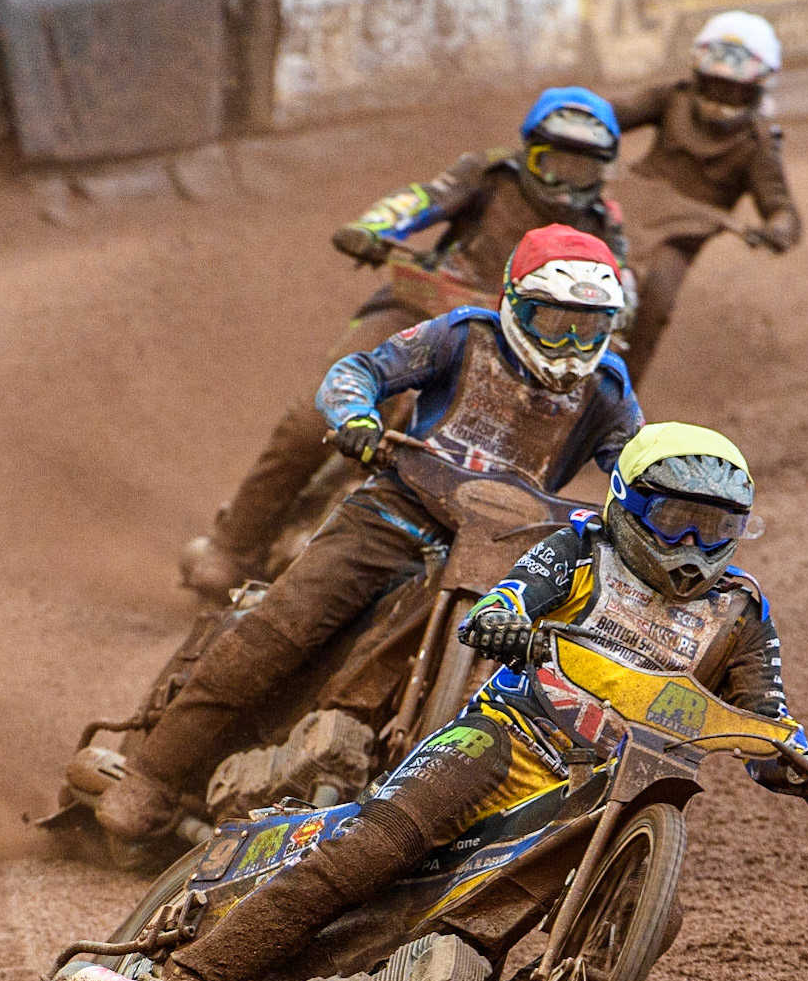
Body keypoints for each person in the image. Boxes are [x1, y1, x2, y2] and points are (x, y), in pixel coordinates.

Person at [150, 421, 808, 981]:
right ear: (628, 504)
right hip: (504, 738)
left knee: (648, 910)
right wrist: (500, 619)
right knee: (378, 844)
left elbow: (766, 717)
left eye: (715, 527)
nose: (692, 545)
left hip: (605, 791)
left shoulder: (738, 610)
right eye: (674, 520)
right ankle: (203, 975)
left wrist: (798, 763)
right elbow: (510, 597)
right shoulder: (580, 546)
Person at [79, 224, 643, 848]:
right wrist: (356, 416)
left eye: (587, 327)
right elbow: (358, 370)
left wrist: (653, 511)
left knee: (554, 669)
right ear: (514, 303)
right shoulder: (461, 335)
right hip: (395, 513)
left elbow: (634, 465)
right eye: (555, 320)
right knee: (282, 627)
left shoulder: (610, 387)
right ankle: (154, 777)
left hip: (506, 553)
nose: (569, 342)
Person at [179, 87, 634, 598]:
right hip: (421, 309)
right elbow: (420, 199)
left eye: (583, 169)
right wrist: (373, 226)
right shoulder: (488, 174)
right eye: (554, 162)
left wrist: (616, 323)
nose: (565, 183)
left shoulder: (603, 222)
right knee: (310, 421)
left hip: (513, 345)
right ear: (528, 152)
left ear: (605, 171)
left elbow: (623, 283)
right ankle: (231, 544)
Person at [607, 12, 801, 384]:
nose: (721, 97)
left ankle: (617, 400)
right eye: (714, 84)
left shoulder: (756, 144)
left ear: (758, 87)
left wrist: (778, 229)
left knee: (655, 298)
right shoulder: (672, 98)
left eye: (734, 89)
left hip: (676, 241)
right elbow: (612, 114)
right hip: (621, 210)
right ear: (699, 76)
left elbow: (782, 208)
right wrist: (575, 119)